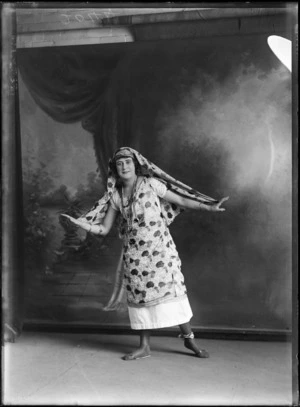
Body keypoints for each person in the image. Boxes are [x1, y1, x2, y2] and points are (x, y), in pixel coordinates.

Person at [61, 147, 228, 361]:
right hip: (135, 256)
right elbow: (103, 229)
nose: (124, 167)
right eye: (120, 164)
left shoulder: (151, 184)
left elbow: (183, 201)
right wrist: (81, 224)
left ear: (135, 164)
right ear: (115, 168)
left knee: (172, 293)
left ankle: (189, 338)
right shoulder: (116, 196)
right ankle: (144, 346)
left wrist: (209, 208)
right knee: (140, 298)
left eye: (128, 162)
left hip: (160, 251)